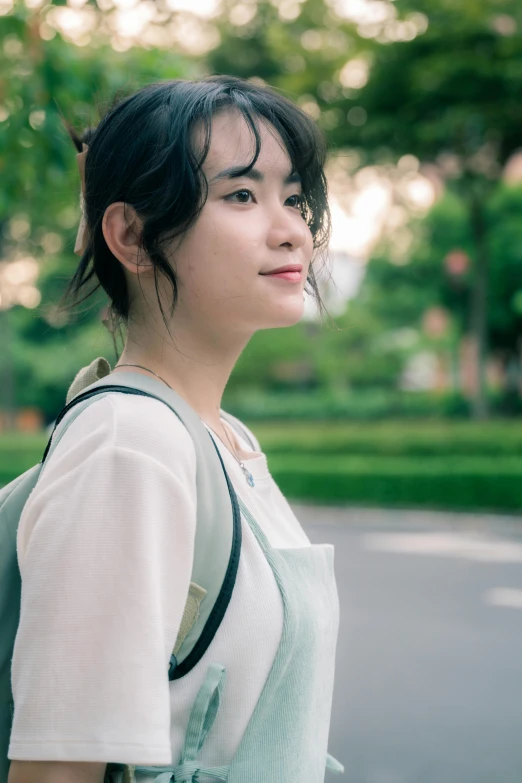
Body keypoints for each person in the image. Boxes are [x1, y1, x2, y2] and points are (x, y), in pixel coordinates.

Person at [7, 75, 342, 783]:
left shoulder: (226, 438)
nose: (290, 229)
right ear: (130, 234)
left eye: (292, 197)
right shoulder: (132, 443)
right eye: (241, 195)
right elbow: (56, 771)